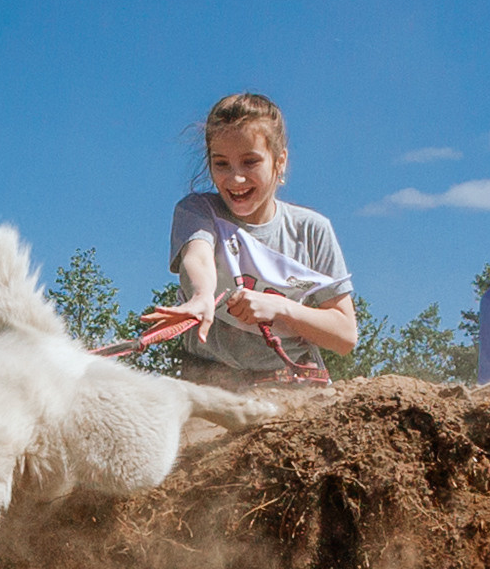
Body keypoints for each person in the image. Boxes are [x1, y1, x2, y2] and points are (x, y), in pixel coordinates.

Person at [146, 92, 359, 386]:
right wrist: (201, 295)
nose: (236, 179)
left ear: (279, 161)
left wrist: (280, 308)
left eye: (250, 162)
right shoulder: (197, 210)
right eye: (221, 164)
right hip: (211, 387)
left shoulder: (312, 231)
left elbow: (345, 335)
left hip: (294, 390)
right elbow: (198, 255)